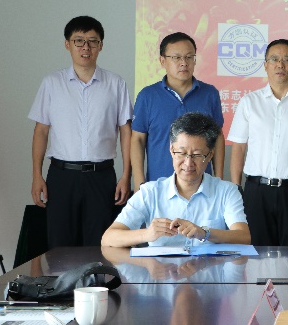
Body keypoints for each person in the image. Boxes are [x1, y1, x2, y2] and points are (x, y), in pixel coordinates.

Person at [29, 16, 133, 248]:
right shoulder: (52, 83)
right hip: (62, 176)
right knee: (59, 245)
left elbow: (126, 131)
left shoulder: (116, 83)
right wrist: (37, 175)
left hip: (101, 176)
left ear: (100, 46)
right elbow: (41, 131)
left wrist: (126, 175)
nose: (86, 47)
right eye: (79, 40)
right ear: (67, 44)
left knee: (100, 245)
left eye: (92, 41)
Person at [228, 39, 288, 246]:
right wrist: (236, 187)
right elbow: (239, 147)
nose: (280, 65)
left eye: (287, 60)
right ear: (265, 65)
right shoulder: (249, 102)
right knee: (257, 253)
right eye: (274, 59)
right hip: (256, 191)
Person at [102, 112, 249, 247]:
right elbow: (108, 238)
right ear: (172, 150)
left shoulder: (226, 191)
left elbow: (243, 237)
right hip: (161, 267)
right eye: (182, 153)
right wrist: (147, 234)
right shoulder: (150, 192)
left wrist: (205, 233)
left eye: (197, 155)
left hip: (209, 267)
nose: (188, 163)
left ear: (210, 155)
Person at [131, 32, 224, 187]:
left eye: (189, 57)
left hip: (201, 186)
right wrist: (139, 183)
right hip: (158, 186)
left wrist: (219, 179)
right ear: (162, 61)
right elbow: (138, 139)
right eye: (176, 57)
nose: (184, 63)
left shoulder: (210, 94)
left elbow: (218, 138)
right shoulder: (147, 96)